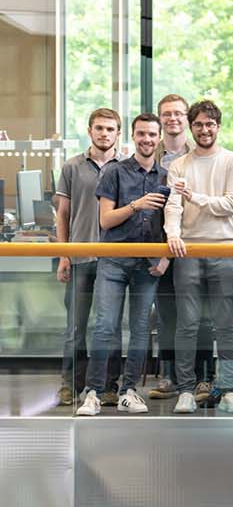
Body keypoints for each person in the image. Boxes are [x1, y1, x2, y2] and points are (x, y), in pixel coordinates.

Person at [76, 112, 168, 416]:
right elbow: (105, 219)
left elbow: (174, 222)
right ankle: (94, 392)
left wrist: (165, 257)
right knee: (105, 327)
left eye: (152, 135)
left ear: (159, 138)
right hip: (114, 260)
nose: (147, 140)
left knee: (140, 329)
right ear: (133, 136)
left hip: (148, 264)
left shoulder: (166, 176)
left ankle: (129, 390)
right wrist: (136, 205)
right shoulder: (115, 172)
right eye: (141, 134)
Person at [163, 100, 233, 414]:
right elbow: (173, 206)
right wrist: (172, 233)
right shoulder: (179, 165)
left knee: (225, 325)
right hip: (187, 250)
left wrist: (194, 197)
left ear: (218, 126)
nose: (204, 129)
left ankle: (228, 389)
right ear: (191, 127)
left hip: (224, 249)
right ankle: (186, 389)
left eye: (210, 124)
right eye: (198, 124)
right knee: (186, 324)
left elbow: (231, 205)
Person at [56, 107, 121, 407]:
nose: (104, 133)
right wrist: (63, 255)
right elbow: (63, 214)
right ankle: (70, 384)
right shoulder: (72, 167)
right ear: (89, 131)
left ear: (118, 134)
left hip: (114, 259)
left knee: (110, 327)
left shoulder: (126, 167)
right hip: (80, 256)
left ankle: (109, 385)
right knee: (76, 327)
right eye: (99, 128)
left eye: (110, 129)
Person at [150, 93, 195, 402]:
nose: (173, 119)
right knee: (167, 315)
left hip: (193, 246)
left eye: (179, 113)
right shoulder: (149, 158)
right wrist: (162, 253)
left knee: (194, 315)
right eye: (167, 114)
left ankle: (197, 377)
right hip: (159, 250)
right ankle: (168, 375)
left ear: (187, 118)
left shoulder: (201, 155)